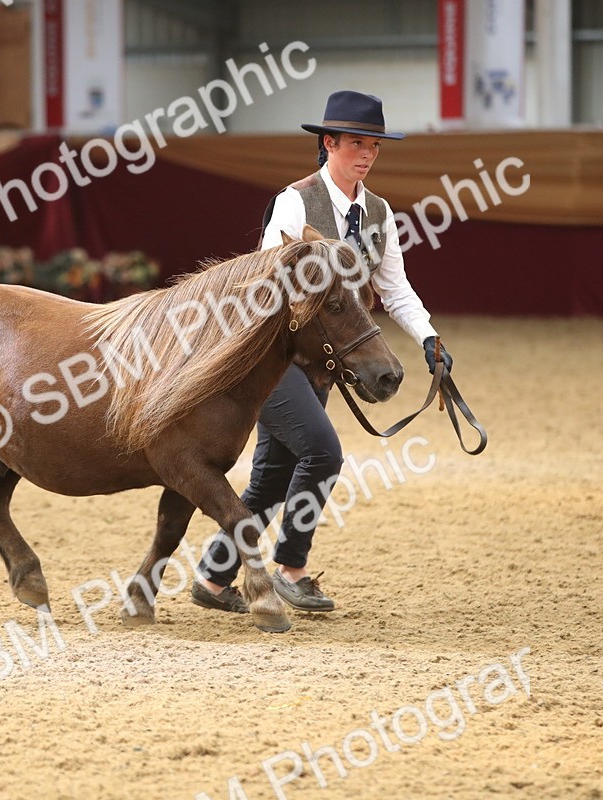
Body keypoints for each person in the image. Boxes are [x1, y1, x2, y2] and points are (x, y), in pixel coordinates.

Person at [190, 90, 453, 615]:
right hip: (274, 359)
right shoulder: (295, 201)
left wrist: (428, 337)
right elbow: (267, 282)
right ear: (328, 143)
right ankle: (292, 568)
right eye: (357, 143)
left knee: (274, 474)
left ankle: (214, 578)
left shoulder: (378, 214)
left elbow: (395, 289)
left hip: (324, 364)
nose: (367, 154)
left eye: (374, 145)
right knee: (323, 451)